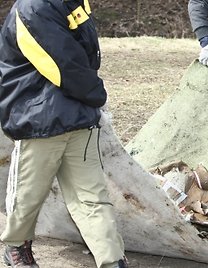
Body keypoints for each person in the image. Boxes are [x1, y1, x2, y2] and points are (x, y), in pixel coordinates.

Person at [0, 0, 128, 267]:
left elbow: (80, 59)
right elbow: (63, 65)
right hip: (42, 118)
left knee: (88, 196)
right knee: (34, 194)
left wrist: (92, 98)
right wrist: (96, 95)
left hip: (70, 115)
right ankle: (16, 249)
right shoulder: (34, 8)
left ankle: (112, 260)